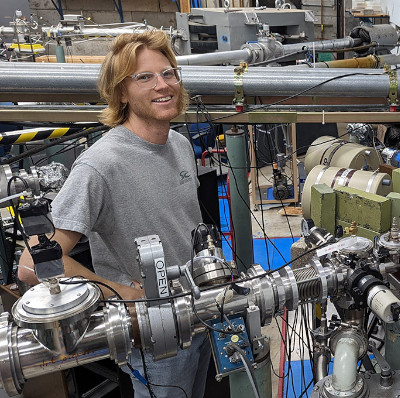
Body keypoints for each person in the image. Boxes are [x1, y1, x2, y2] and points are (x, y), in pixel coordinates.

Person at [18, 30, 211, 398]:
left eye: (169, 73)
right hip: (155, 337)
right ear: (121, 91)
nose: (163, 85)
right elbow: (32, 264)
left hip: (196, 314)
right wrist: (122, 293)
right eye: (145, 77)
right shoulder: (100, 165)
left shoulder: (180, 144)